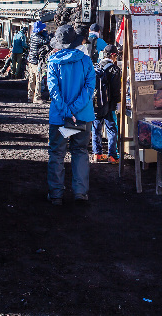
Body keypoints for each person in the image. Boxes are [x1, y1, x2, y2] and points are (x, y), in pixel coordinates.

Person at [46, 25, 96, 204]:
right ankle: (80, 193)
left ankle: (56, 195)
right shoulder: (86, 61)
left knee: (57, 154)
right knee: (80, 152)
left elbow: (53, 91)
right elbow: (89, 89)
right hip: (83, 116)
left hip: (59, 117)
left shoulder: (52, 62)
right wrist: (75, 110)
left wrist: (67, 111)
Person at [91, 45, 122, 164]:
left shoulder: (97, 67)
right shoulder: (114, 69)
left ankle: (97, 154)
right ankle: (112, 156)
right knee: (112, 129)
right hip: (109, 106)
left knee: (96, 128)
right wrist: (118, 104)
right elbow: (116, 90)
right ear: (113, 55)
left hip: (97, 104)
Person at [27, 21, 50, 104]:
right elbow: (46, 42)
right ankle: (37, 97)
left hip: (30, 60)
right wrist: (47, 35)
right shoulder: (39, 38)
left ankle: (30, 96)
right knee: (38, 79)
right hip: (36, 61)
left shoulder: (33, 35)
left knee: (31, 79)